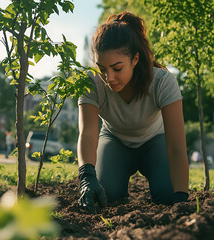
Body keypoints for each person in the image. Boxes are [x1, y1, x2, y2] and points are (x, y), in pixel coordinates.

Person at [77, 11, 189, 213]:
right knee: (105, 196)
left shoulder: (162, 82)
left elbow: (177, 147)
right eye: (102, 68)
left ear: (135, 59)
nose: (108, 78)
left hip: (155, 141)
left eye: (117, 68)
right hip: (115, 140)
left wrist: (181, 198)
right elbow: (88, 134)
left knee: (168, 195)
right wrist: (86, 176)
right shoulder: (92, 83)